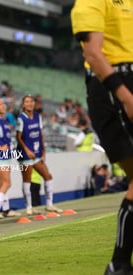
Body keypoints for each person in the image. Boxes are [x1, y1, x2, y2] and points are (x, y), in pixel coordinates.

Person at [71, 2, 133, 273]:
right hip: (114, 86)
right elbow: (94, 54)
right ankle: (118, 264)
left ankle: (119, 265)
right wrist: (126, 96)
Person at [16, 95, 63, 216]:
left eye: (31, 101)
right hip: (25, 155)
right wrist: (26, 150)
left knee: (48, 176)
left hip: (36, 153)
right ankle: (29, 207)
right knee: (27, 180)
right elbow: (18, 137)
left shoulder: (38, 116)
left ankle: (49, 205)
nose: (30, 103)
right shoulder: (21, 118)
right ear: (23, 105)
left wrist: (43, 150)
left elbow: (40, 134)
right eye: (27, 101)